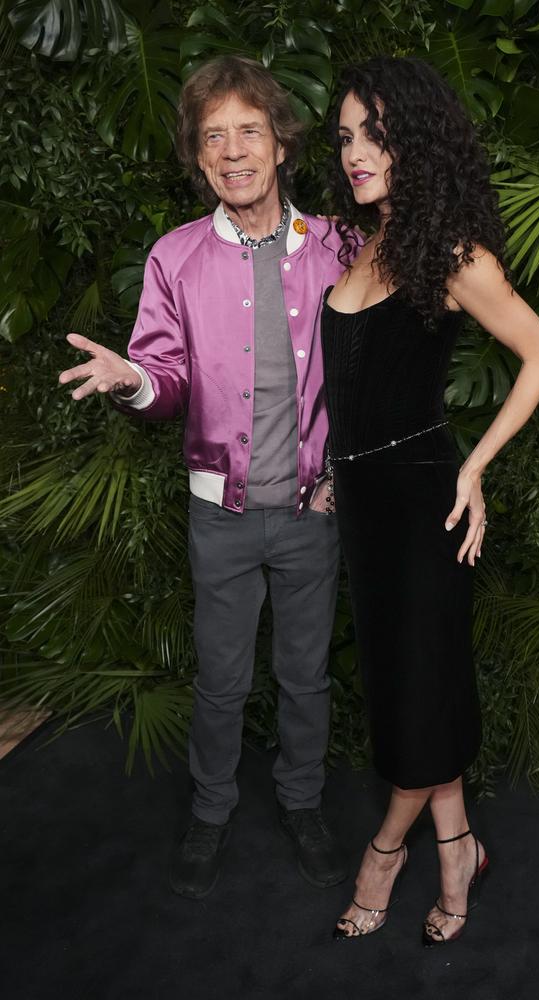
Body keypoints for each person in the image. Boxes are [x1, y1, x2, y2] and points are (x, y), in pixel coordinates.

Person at [58, 56, 351, 900]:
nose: (232, 152)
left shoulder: (337, 245)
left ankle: (302, 803)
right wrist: (134, 380)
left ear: (282, 143)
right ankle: (213, 810)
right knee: (221, 681)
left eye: (247, 132)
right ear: (199, 156)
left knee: (306, 678)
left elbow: (375, 373)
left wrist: (344, 473)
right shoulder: (175, 258)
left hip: (312, 513)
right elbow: (166, 378)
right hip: (219, 516)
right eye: (213, 137)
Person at [319, 57, 539, 944]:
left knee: (416, 696)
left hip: (426, 508)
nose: (355, 151)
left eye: (375, 132)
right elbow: (352, 385)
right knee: (406, 690)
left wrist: (476, 468)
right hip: (364, 510)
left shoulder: (455, 251)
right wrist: (327, 474)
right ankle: (457, 844)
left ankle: (385, 855)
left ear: (415, 136)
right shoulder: (372, 241)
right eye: (345, 135)